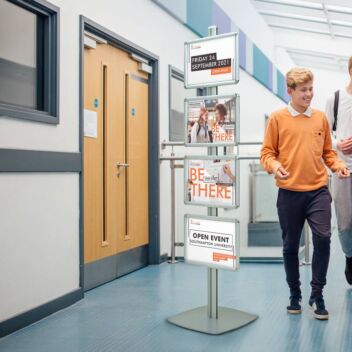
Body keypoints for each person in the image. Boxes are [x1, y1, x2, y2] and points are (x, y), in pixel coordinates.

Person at [260, 67, 349, 320]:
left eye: (311, 89)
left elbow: (328, 153)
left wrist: (339, 166)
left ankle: (317, 294)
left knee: (323, 239)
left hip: (318, 191)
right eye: (303, 90)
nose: (309, 94)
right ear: (290, 91)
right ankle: (294, 294)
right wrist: (275, 166)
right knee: (290, 246)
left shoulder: (320, 118)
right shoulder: (277, 119)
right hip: (289, 193)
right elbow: (267, 153)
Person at [325, 56, 352, 285]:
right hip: (343, 170)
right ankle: (350, 258)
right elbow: (322, 136)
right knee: (345, 221)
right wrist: (338, 145)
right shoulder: (335, 99)